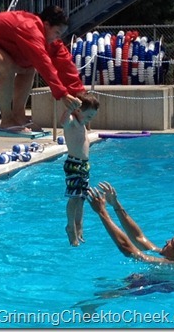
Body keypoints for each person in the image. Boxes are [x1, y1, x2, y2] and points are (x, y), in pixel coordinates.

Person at [0, 5, 85, 133]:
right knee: (7, 67)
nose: (57, 38)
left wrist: (81, 95)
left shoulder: (51, 41)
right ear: (46, 25)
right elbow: (44, 64)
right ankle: (7, 120)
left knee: (28, 68)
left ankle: (19, 116)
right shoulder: (30, 28)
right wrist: (62, 94)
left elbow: (66, 65)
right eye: (57, 32)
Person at [87, 182, 174, 263]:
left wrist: (102, 212)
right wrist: (116, 204)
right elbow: (138, 238)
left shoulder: (171, 265)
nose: (167, 241)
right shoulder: (169, 256)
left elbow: (127, 249)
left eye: (172, 242)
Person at [61, 91, 99, 246]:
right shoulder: (72, 121)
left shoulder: (82, 124)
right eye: (88, 116)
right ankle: (70, 226)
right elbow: (63, 121)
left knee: (82, 197)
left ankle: (78, 224)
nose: (90, 120)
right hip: (74, 164)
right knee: (74, 196)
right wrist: (69, 109)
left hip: (84, 166)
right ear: (77, 111)